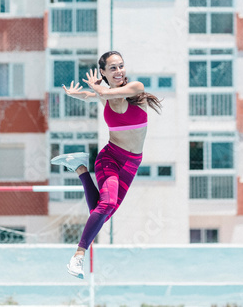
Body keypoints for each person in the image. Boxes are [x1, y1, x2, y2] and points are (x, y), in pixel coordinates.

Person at [51, 51, 163, 279]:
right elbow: (94, 95)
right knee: (107, 204)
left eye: (121, 66)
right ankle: (78, 257)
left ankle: (81, 169)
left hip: (132, 163)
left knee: (102, 212)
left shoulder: (136, 88)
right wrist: (77, 94)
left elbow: (101, 92)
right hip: (110, 158)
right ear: (103, 72)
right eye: (112, 68)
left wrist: (96, 87)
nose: (119, 71)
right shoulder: (104, 95)